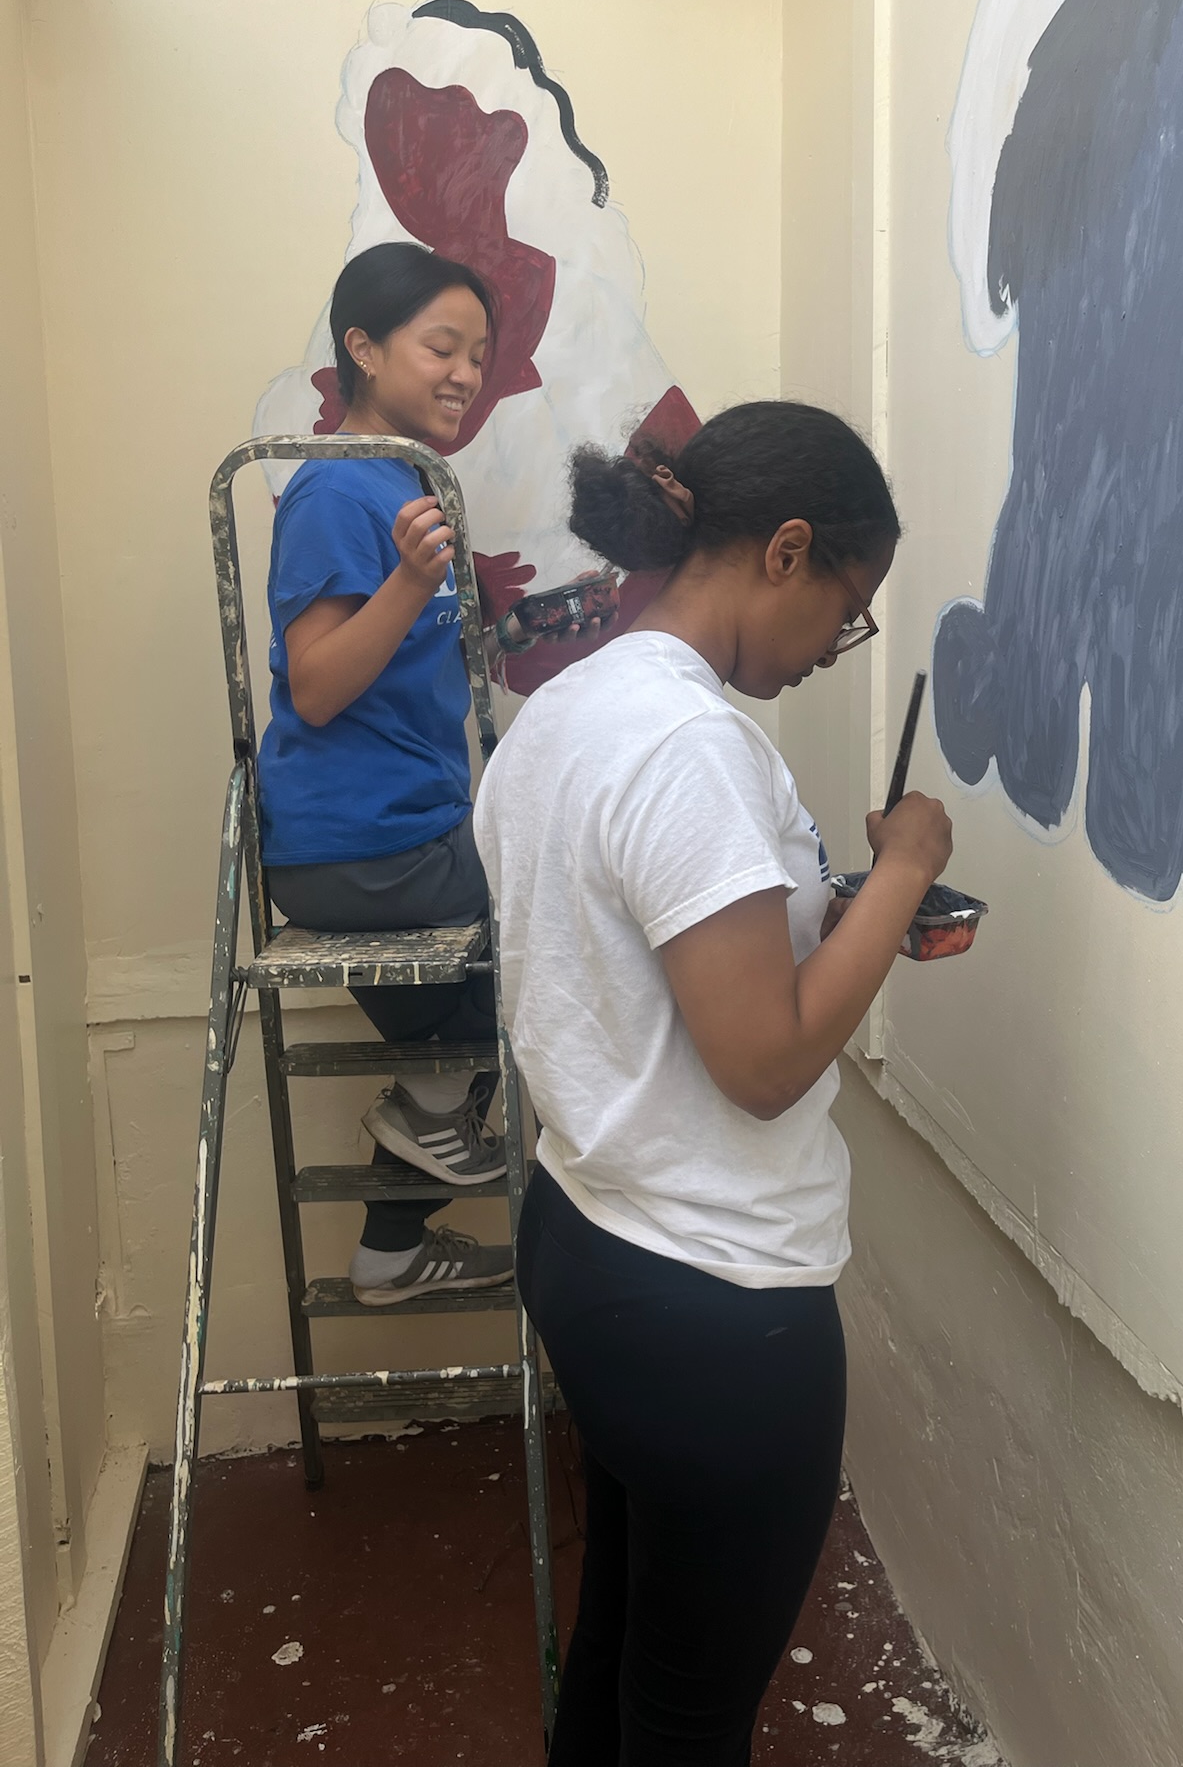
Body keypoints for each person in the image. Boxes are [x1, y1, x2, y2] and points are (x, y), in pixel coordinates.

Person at [474, 400, 954, 1764]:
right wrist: (906, 870)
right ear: (787, 551)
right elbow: (760, 1059)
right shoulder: (691, 745)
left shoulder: (566, 707)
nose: (832, 651)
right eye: (847, 612)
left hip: (591, 1234)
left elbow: (639, 959)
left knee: (625, 1657)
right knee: (689, 1721)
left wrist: (834, 913)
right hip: (715, 1302)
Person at [259, 240, 517, 1305]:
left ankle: (389, 1251)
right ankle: (424, 1129)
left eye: (480, 353)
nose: (466, 371)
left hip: (394, 839)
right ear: (362, 348)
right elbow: (316, 686)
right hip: (365, 851)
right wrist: (413, 586)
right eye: (442, 346)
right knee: (562, 917)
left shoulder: (409, 477)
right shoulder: (338, 489)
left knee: (458, 1043)